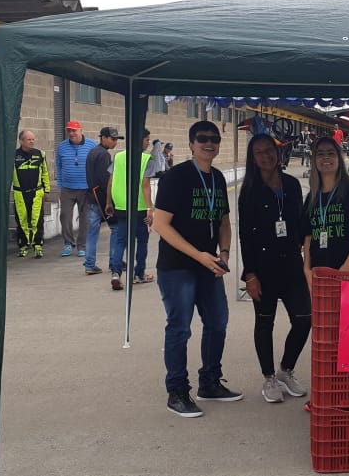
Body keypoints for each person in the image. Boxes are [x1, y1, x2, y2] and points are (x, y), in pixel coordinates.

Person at [152, 121, 240, 418]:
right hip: (177, 267)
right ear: (191, 144)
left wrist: (223, 254)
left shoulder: (216, 177)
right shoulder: (175, 178)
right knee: (179, 328)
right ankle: (177, 391)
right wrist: (198, 256)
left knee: (217, 323)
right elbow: (161, 225)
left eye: (214, 139)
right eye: (202, 139)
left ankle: (210, 382)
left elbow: (224, 222)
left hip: (209, 264)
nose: (209, 143)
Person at [238, 133, 311, 404]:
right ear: (253, 158)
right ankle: (268, 377)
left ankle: (285, 370)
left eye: (269, 150)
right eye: (259, 152)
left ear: (277, 152)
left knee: (304, 318)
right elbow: (246, 235)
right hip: (263, 268)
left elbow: (301, 224)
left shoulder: (292, 185)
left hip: (291, 265)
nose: (266, 156)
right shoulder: (249, 191)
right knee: (264, 322)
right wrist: (250, 275)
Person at [301, 136, 349, 287]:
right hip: (320, 274)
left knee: (348, 311)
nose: (325, 157)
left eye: (331, 153)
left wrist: (347, 267)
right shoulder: (312, 198)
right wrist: (307, 269)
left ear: (339, 159)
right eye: (320, 154)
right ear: (314, 160)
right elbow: (308, 237)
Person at [106, 130, 154, 290]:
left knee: (121, 241)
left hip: (120, 206)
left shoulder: (118, 157)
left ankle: (116, 273)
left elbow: (111, 181)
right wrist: (150, 208)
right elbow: (145, 185)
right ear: (139, 140)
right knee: (142, 241)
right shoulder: (147, 159)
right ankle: (139, 273)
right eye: (147, 140)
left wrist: (108, 202)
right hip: (139, 207)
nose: (148, 143)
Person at [82, 127, 122, 275]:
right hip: (102, 198)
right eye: (113, 139)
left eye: (116, 139)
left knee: (92, 231)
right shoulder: (103, 155)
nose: (115, 142)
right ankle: (114, 261)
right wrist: (110, 201)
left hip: (91, 196)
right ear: (103, 138)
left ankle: (89, 263)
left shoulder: (93, 152)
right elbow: (106, 180)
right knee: (116, 229)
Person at [55, 120, 97, 257]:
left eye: (74, 130)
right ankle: (68, 243)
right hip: (67, 188)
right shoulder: (61, 147)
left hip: (86, 189)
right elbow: (59, 168)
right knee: (65, 216)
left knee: (85, 218)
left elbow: (96, 165)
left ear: (81, 131)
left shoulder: (91, 145)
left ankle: (82, 246)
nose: (71, 133)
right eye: (69, 131)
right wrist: (60, 188)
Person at [12, 130, 50, 258]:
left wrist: (47, 190)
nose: (32, 141)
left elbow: (45, 172)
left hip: (36, 192)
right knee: (21, 221)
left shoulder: (40, 154)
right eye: (29, 139)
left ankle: (38, 246)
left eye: (33, 139)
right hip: (20, 193)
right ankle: (23, 246)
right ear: (21, 141)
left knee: (37, 220)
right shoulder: (13, 155)